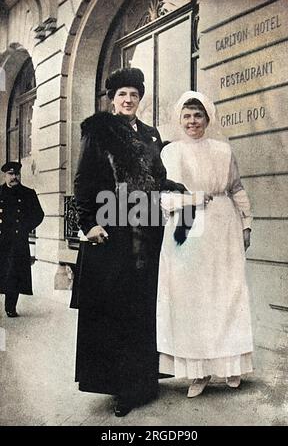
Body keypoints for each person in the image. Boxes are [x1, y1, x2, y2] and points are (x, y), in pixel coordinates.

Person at [71, 67, 168, 417]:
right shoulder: (99, 131)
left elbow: (159, 180)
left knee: (143, 307)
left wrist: (178, 195)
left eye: (134, 95)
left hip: (148, 233)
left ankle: (144, 381)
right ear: (112, 99)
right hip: (112, 234)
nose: (128, 100)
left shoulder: (151, 135)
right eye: (122, 95)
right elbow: (83, 181)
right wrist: (88, 223)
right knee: (116, 311)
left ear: (140, 99)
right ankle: (122, 390)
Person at [157, 90, 254, 397]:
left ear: (208, 118)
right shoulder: (169, 153)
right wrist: (194, 198)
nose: (192, 121)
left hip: (223, 227)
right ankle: (198, 373)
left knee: (227, 294)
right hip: (186, 227)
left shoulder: (223, 151)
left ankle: (231, 366)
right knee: (192, 299)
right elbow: (164, 197)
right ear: (179, 119)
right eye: (186, 116)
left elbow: (237, 189)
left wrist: (247, 223)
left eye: (198, 115)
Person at [0, 161, 44, 317]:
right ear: (5, 175)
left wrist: (25, 227)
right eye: (11, 174)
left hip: (18, 241)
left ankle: (10, 307)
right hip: (1, 239)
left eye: (17, 174)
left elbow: (39, 214)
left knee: (13, 274)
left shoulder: (28, 193)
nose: (14, 177)